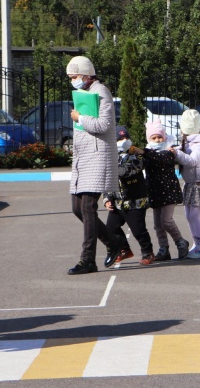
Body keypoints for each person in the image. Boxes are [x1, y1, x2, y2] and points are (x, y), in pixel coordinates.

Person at [66, 56, 121, 275]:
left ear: (87, 74)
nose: (73, 81)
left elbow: (104, 124)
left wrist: (79, 118)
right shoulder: (85, 93)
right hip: (83, 158)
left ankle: (87, 260)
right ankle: (114, 243)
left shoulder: (100, 91)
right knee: (77, 209)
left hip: (98, 157)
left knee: (88, 208)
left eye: (75, 77)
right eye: (71, 78)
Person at [104, 126, 155, 267]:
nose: (124, 141)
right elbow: (107, 180)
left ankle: (148, 252)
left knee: (138, 230)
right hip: (118, 202)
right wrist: (107, 198)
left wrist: (106, 164)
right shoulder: (111, 157)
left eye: (126, 138)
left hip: (135, 202)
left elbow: (123, 171)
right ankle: (124, 249)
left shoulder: (136, 158)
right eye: (120, 139)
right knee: (110, 228)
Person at [172, 109, 200, 259]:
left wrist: (177, 154)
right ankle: (197, 243)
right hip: (190, 184)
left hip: (199, 185)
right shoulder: (187, 142)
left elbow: (191, 161)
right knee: (189, 216)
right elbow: (181, 151)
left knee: (194, 216)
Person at [141, 119, 189, 262]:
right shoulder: (147, 152)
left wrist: (142, 152)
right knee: (157, 225)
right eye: (153, 138)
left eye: (159, 137)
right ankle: (163, 249)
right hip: (154, 191)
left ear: (165, 137)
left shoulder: (169, 151)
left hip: (168, 191)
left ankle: (180, 242)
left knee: (166, 220)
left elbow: (162, 159)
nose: (157, 140)